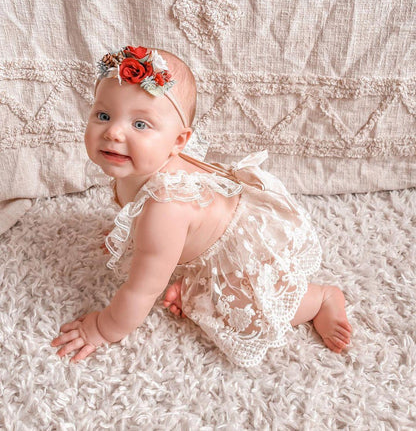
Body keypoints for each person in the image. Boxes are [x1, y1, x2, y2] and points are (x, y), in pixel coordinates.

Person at [51, 45, 352, 367]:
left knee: (245, 311)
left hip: (240, 257)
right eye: (103, 115)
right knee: (167, 257)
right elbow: (135, 211)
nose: (113, 132)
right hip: (191, 233)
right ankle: (192, 285)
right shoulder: (140, 165)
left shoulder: (164, 207)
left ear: (179, 141)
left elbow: (143, 289)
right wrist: (131, 235)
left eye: (140, 125)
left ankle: (319, 299)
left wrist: (102, 328)